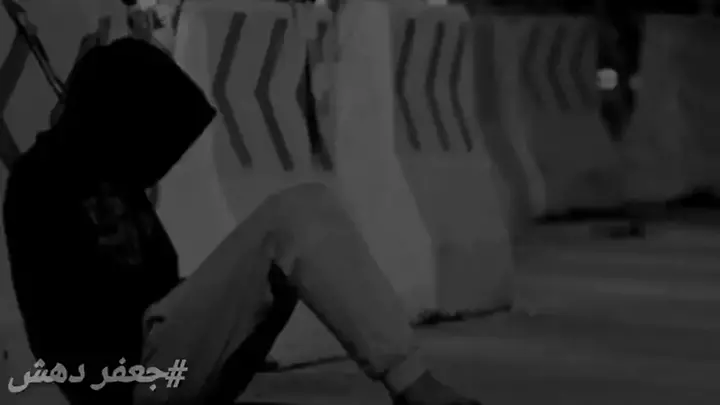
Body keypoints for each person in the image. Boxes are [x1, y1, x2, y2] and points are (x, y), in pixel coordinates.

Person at [3, 2, 482, 405]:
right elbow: (69, 325)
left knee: (286, 255)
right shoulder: (40, 183)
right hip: (125, 381)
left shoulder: (109, 177)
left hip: (152, 365)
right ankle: (413, 386)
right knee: (296, 215)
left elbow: (155, 283)